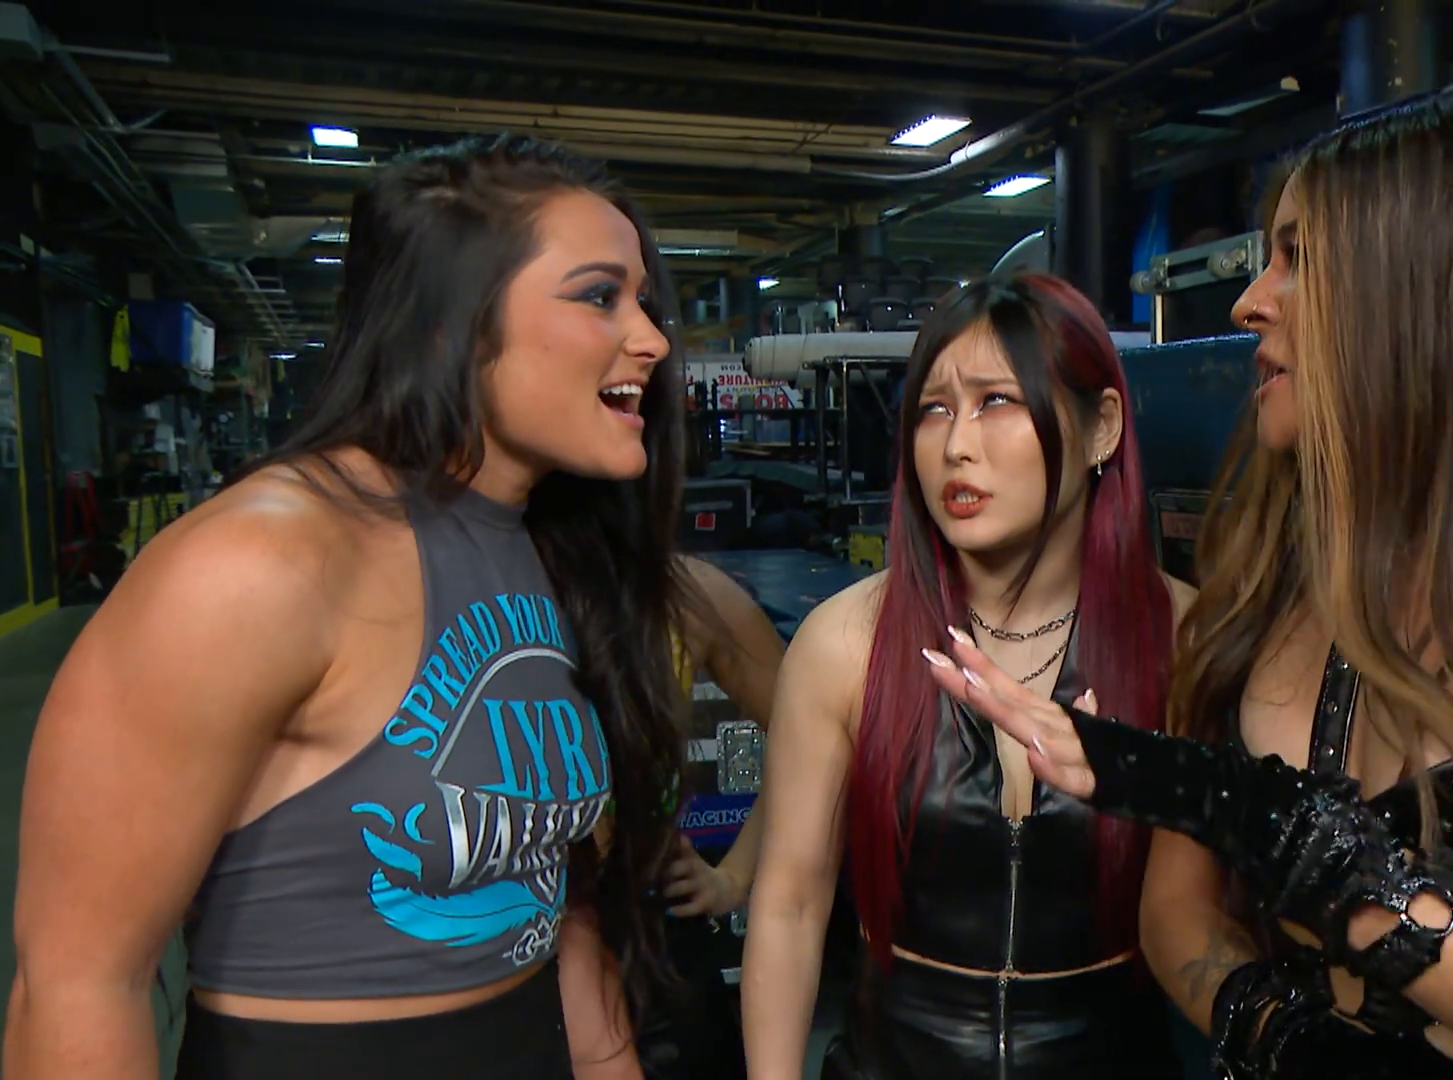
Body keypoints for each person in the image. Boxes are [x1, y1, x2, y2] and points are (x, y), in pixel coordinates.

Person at [929, 92, 1453, 1080]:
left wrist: (1256, 817)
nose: (1251, 301)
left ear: (1430, 288)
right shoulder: (1279, 568)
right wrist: (1285, 1036)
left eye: (1299, 259)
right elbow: (1177, 910)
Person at [5, 134, 691, 1080]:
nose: (652, 339)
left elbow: (553, 900)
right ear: (449, 324)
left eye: (644, 300)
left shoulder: (547, 549)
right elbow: (77, 986)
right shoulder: (260, 563)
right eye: (600, 296)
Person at [741, 273, 1195, 1080]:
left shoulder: (1186, 642)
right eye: (933, 409)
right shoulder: (845, 644)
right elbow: (790, 905)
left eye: (996, 402)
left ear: (1101, 428)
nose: (956, 445)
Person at [635, 555, 788, 1080]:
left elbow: (812, 743)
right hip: (522, 946)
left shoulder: (689, 595)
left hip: (655, 944)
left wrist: (735, 877)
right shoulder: (496, 582)